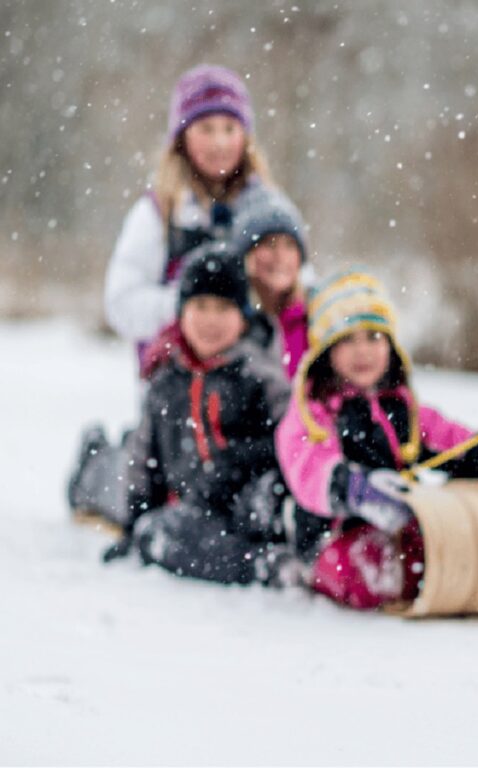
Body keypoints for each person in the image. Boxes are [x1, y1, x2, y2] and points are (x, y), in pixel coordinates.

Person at [275, 271, 478, 609]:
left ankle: (433, 575)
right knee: (365, 568)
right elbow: (308, 467)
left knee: (452, 545)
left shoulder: (401, 407)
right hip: (331, 535)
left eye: (374, 337)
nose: (362, 350)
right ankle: (320, 574)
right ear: (326, 351)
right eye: (348, 339)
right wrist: (355, 488)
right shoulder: (314, 411)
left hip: (402, 527)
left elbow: (450, 440)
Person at [98, 244, 302, 588]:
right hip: (191, 508)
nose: (211, 319)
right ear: (181, 313)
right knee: (156, 530)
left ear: (242, 316)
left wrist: (242, 459)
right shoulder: (166, 380)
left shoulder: (259, 374)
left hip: (245, 499)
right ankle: (259, 566)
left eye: (223, 308)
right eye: (200, 307)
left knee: (267, 503)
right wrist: (134, 524)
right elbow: (144, 459)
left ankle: (272, 549)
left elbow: (293, 438)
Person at [104, 64, 292, 355]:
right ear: (182, 138)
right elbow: (121, 303)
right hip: (176, 384)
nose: (219, 142)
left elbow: (300, 292)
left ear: (245, 137)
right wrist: (192, 306)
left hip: (259, 385)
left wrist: (267, 296)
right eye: (206, 129)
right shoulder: (158, 212)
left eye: (229, 129)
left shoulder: (271, 210)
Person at [231, 189, 311, 378]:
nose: (280, 257)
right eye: (269, 244)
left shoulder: (314, 316)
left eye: (290, 245)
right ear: (247, 254)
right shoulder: (231, 318)